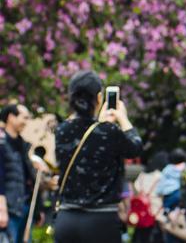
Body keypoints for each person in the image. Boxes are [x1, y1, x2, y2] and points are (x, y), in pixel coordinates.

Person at [53, 70, 142, 243]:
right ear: (100, 98)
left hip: (67, 218)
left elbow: (81, 129)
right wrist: (122, 118)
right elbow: (135, 147)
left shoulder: (61, 131)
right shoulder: (109, 131)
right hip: (101, 220)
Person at [0, 104, 36, 243]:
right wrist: (1, 208)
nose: (26, 122)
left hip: (24, 207)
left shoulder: (23, 144)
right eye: (24, 117)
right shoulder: (2, 142)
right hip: (8, 208)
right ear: (11, 117)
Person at [130, 152, 168, 243]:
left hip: (141, 213)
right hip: (154, 214)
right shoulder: (161, 176)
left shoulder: (142, 175)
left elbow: (136, 188)